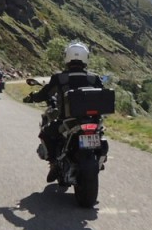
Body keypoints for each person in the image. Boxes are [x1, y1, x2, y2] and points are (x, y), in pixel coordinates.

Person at [23, 42, 105, 182]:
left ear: (67, 57)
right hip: (92, 120)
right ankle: (100, 160)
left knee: (46, 133)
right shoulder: (94, 78)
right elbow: (103, 96)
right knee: (101, 134)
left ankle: (54, 163)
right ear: (86, 58)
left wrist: (32, 97)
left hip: (67, 121)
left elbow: (45, 94)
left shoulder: (59, 78)